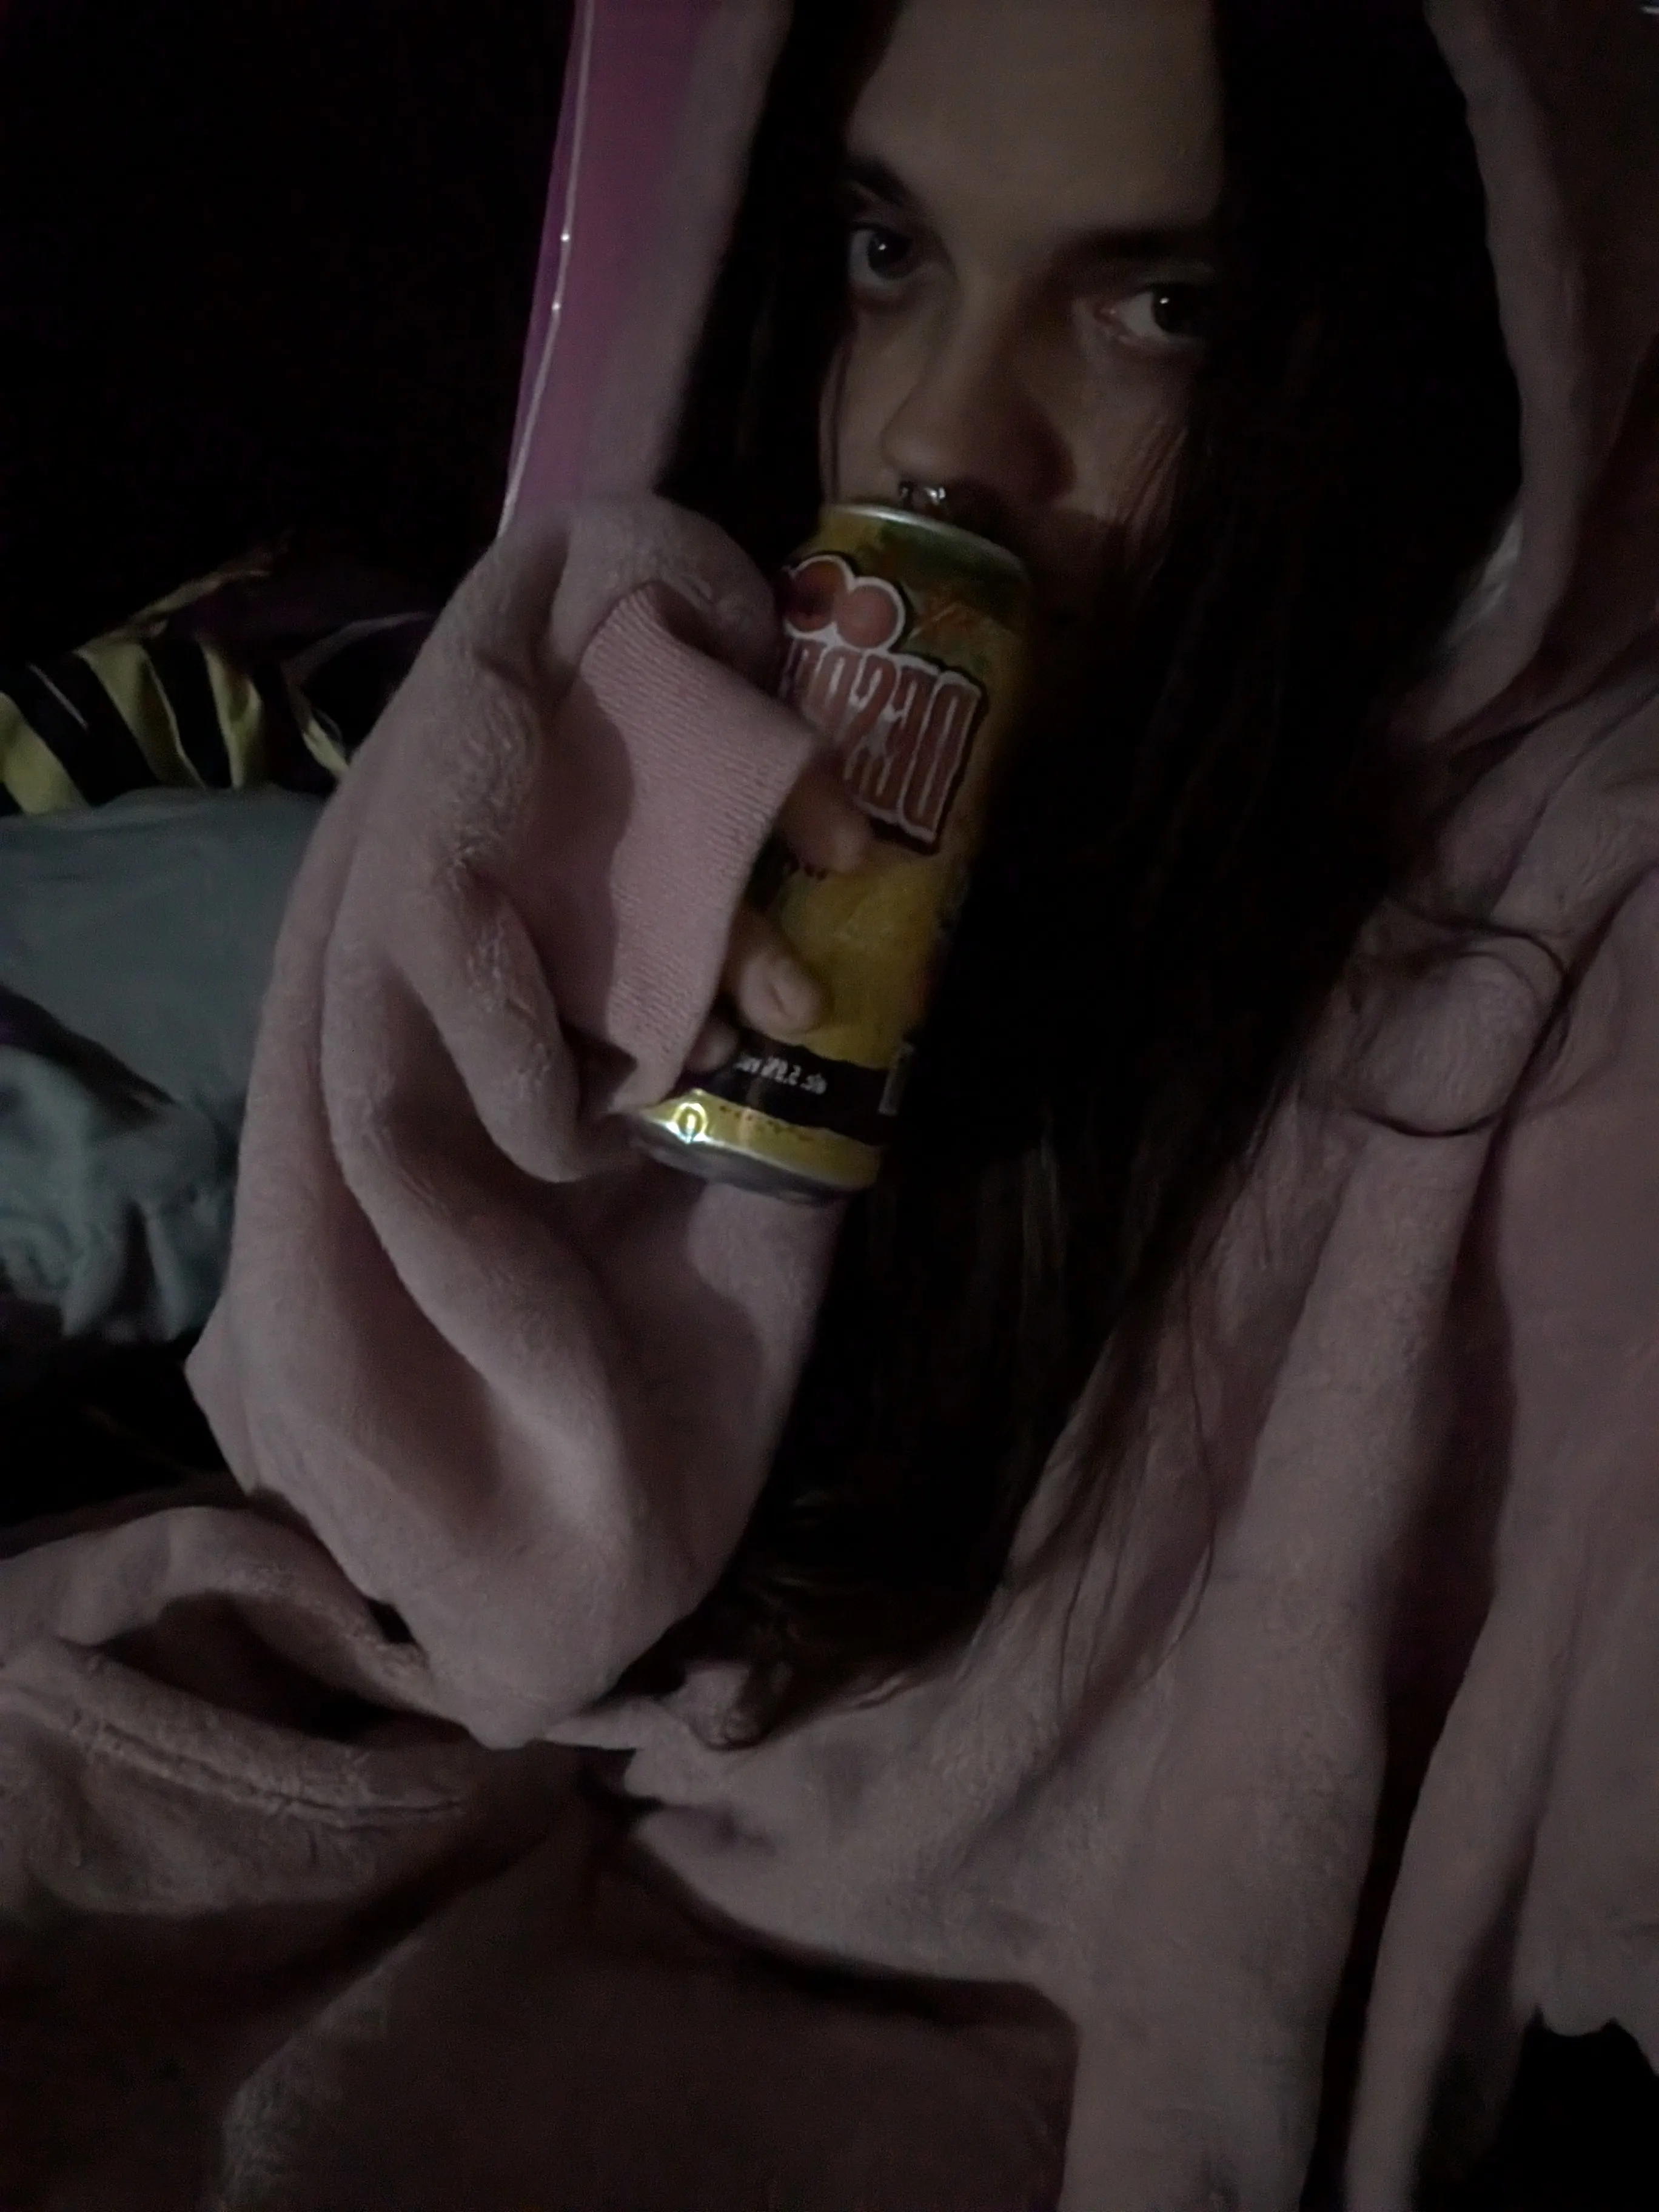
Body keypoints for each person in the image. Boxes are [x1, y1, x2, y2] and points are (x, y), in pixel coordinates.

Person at [3, 2, 1659, 2207]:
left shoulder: (1581, 939)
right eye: (894, 254)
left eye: (1161, 308)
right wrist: (526, 953)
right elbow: (434, 1560)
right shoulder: (652, 703)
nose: (939, 437)